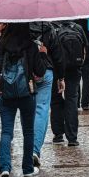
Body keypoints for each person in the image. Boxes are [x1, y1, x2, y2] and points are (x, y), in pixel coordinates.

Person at [0, 23, 47, 177]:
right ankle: (27, 169)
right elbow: (40, 71)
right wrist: (43, 55)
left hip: (6, 94)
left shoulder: (2, 45)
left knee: (6, 132)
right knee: (28, 132)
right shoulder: (31, 46)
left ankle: (5, 168)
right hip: (27, 93)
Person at [30, 22, 65, 167]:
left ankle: (29, 148)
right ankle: (35, 149)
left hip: (26, 72)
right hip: (46, 71)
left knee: (28, 111)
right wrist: (61, 77)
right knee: (42, 110)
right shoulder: (49, 28)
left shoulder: (20, 26)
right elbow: (58, 56)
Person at [50, 21, 88, 146]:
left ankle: (58, 134)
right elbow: (84, 51)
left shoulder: (51, 28)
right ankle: (72, 137)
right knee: (71, 99)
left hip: (55, 68)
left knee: (56, 99)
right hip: (74, 69)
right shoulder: (78, 28)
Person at [76, 19, 89, 110]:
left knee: (76, 81)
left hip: (74, 60)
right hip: (86, 60)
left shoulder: (73, 32)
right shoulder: (88, 34)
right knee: (87, 81)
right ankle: (85, 103)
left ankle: (76, 102)